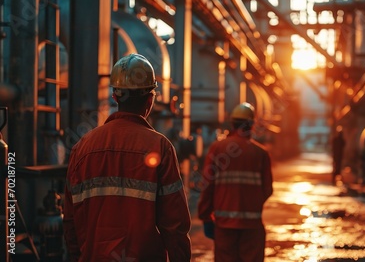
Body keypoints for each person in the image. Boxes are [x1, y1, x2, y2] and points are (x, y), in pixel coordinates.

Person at [63, 54, 191, 261]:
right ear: (150, 99)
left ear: (115, 97)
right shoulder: (160, 147)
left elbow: (70, 218)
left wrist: (78, 255)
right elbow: (174, 223)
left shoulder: (82, 147)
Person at [198, 102, 273, 262]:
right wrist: (251, 204)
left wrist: (205, 216)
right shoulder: (261, 153)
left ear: (232, 123)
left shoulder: (217, 148)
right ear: (252, 125)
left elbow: (207, 185)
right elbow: (268, 190)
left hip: (224, 226)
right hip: (252, 226)